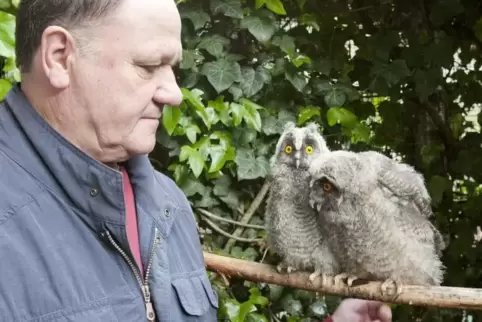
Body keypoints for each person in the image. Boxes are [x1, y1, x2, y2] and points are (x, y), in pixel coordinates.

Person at [0, 0, 392, 321]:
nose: (173, 93)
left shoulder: (167, 204)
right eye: (148, 66)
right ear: (58, 56)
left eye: (172, 68)